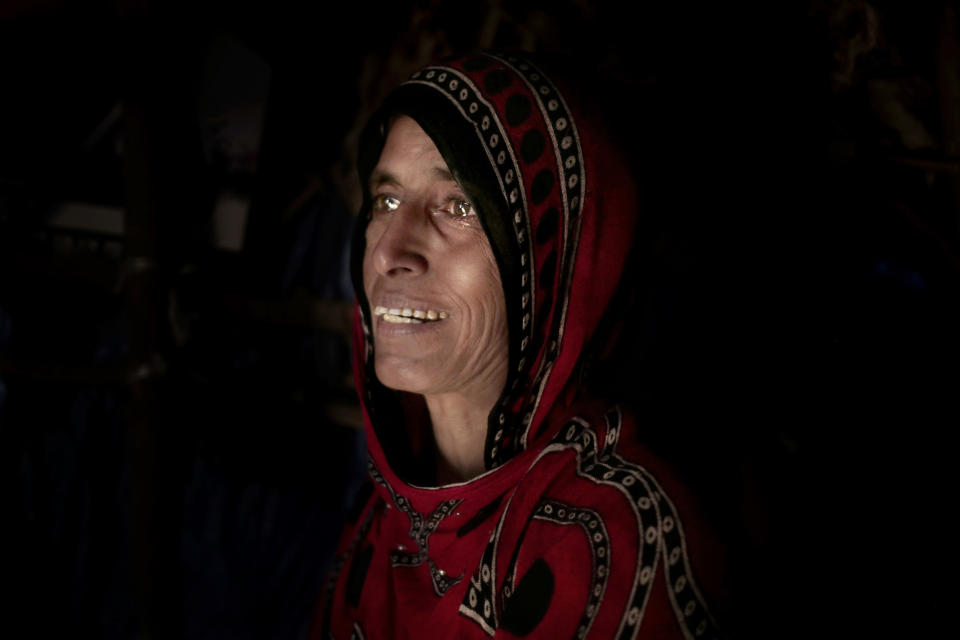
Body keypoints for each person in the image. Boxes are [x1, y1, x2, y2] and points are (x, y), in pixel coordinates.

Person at [311, 52, 727, 639]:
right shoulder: (384, 518)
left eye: (457, 206)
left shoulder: (621, 547)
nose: (386, 253)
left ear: (552, 267)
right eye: (386, 201)